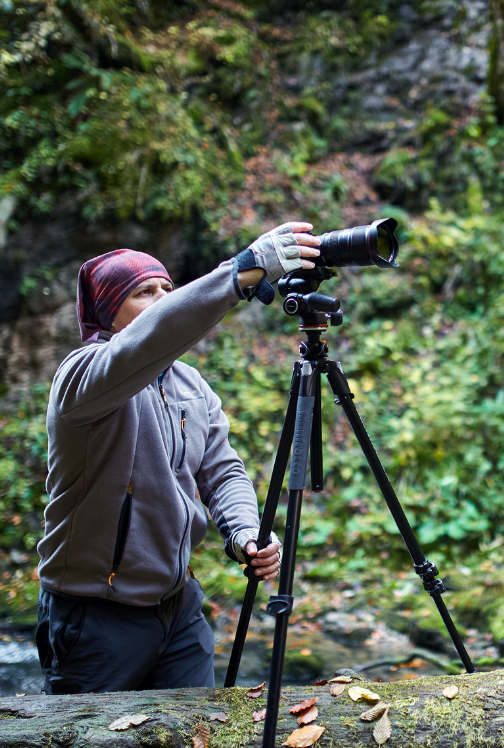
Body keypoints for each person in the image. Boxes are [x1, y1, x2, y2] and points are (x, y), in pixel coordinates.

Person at [35, 222, 321, 694]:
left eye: (168, 289)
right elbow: (155, 334)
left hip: (180, 609)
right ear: (109, 312)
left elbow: (222, 471)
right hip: (96, 616)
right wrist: (241, 273)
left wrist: (244, 532)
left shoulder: (190, 385)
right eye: (144, 292)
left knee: (200, 732)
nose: (163, 299)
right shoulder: (82, 377)